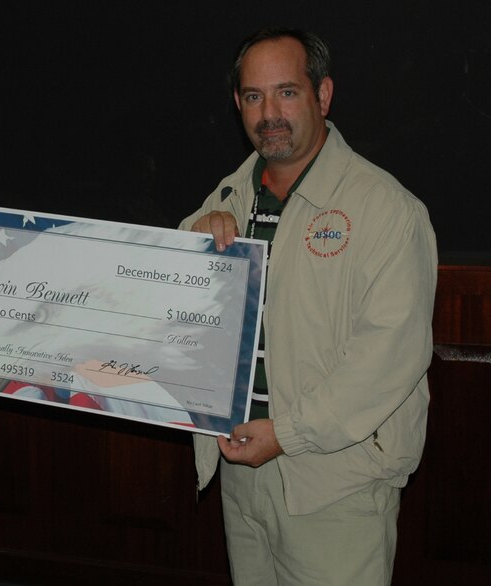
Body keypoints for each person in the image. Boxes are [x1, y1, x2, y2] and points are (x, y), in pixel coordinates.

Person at [179, 28, 437, 585]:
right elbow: (172, 301)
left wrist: (288, 434)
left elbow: (390, 358)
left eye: (287, 92)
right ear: (238, 105)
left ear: (322, 96)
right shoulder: (228, 197)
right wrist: (194, 239)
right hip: (242, 471)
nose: (269, 112)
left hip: (335, 482)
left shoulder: (386, 209)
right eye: (253, 96)